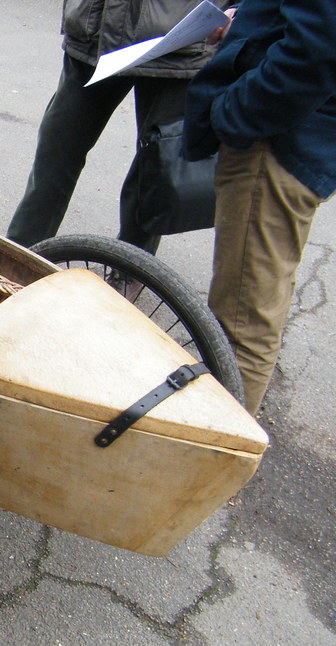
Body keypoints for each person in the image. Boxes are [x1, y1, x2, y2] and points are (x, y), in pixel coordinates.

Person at [183, 0, 336, 414]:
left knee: (240, 330)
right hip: (299, 138)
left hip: (279, 143)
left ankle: (211, 463)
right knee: (257, 303)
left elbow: (318, 49)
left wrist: (234, 112)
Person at [7, 0, 231, 254]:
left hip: (182, 39)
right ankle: (19, 255)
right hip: (95, 29)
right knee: (57, 148)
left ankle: (132, 266)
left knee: (156, 164)